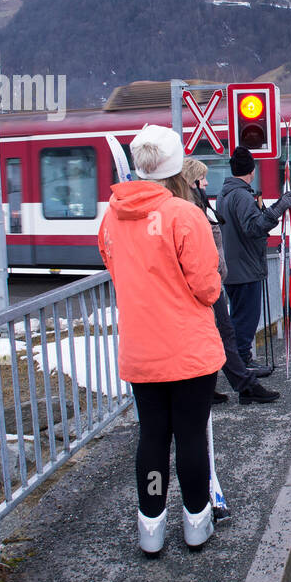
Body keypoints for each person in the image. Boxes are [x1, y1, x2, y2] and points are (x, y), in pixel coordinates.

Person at [97, 124, 223, 555]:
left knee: (152, 436)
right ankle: (196, 524)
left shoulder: (111, 217)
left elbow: (118, 274)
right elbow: (207, 288)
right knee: (190, 436)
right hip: (187, 351)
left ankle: (150, 531)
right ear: (176, 169)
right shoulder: (184, 215)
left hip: (141, 350)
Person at [179, 158, 278, 405]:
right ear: (191, 183)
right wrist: (276, 210)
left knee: (213, 335)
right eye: (202, 179)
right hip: (205, 282)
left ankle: (211, 386)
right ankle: (244, 385)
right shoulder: (189, 210)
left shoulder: (202, 203)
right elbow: (250, 228)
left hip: (213, 277)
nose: (206, 182)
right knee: (223, 333)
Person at [217, 147, 291, 375]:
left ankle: (240, 361)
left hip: (235, 265)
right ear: (251, 170)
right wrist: (279, 208)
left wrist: (271, 208)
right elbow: (254, 227)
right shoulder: (241, 195)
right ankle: (242, 364)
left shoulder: (226, 193)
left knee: (239, 317)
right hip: (245, 267)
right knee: (246, 320)